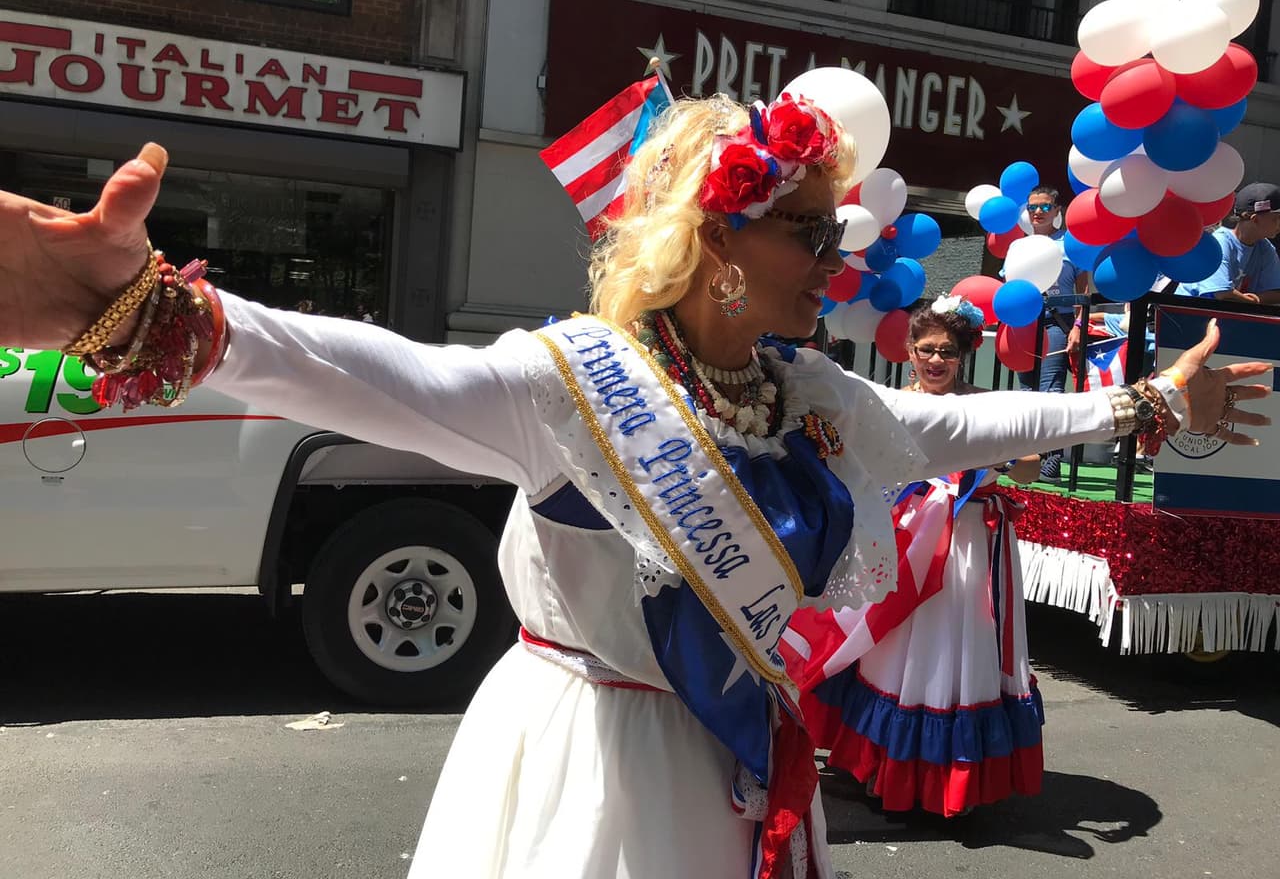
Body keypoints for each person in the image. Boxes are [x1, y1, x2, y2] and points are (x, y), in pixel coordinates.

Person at [0, 92, 1268, 878]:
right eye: (809, 232)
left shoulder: (809, 392)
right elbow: (363, 372)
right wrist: (135, 302)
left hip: (737, 754)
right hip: (592, 755)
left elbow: (959, 425)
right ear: (717, 241)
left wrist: (1147, 403)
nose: (836, 259)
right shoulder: (568, 382)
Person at [784, 296, 1045, 818]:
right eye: (926, 349)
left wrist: (1000, 455)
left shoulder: (987, 404)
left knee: (952, 649)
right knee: (887, 645)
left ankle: (945, 774)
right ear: (909, 351)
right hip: (904, 538)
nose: (936, 360)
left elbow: (1032, 468)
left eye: (946, 351)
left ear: (963, 354)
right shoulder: (892, 404)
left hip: (967, 546)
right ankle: (879, 764)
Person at [1015, 185, 1091, 483]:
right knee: (1026, 392)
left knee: (1051, 390)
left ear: (1057, 211)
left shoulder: (1069, 244)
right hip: (1024, 323)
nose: (1038, 212)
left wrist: (1079, 327)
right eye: (1032, 206)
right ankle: (1026, 456)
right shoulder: (1019, 246)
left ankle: (1052, 459)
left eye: (1045, 207)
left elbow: (1083, 290)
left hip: (1058, 322)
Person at [1178, 182, 1280, 305]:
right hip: (1185, 312)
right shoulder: (1221, 242)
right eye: (1277, 218)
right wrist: (1254, 301)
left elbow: (1276, 293)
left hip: (1224, 314)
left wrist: (1255, 300)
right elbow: (1222, 294)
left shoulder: (1265, 248)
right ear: (1255, 220)